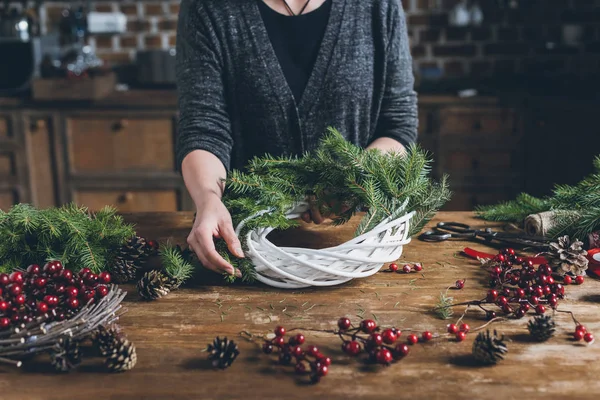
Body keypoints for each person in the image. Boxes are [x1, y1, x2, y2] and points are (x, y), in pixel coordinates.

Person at [176, 0, 418, 278]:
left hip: (357, 245)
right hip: (242, 251)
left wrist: (355, 177)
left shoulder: (378, 5)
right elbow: (203, 125)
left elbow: (398, 124)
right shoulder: (208, 7)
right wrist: (208, 198)